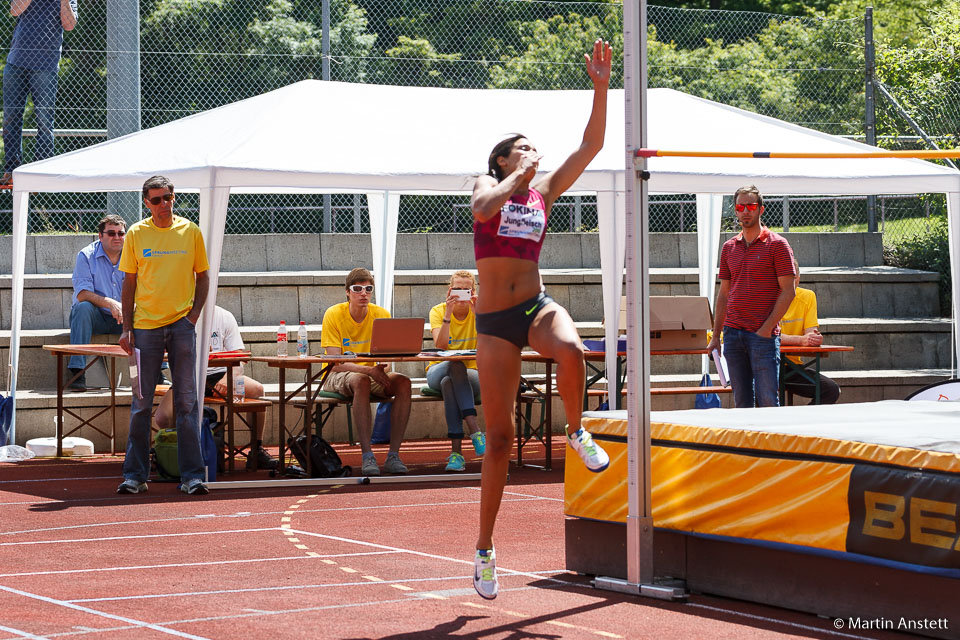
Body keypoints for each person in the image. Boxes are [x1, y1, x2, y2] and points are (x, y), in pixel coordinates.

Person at [469, 40, 612, 599]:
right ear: (503, 160)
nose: (534, 153)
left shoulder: (546, 192)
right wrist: (519, 176)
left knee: (573, 350)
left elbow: (591, 145)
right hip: (494, 323)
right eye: (522, 148)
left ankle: (576, 430)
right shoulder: (488, 185)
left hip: (534, 305)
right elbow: (484, 209)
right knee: (501, 440)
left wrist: (600, 88)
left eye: (535, 148)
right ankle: (485, 549)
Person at [117, 175, 210, 496]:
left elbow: (203, 277)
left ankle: (192, 476)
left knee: (187, 402)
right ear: (147, 203)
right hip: (145, 328)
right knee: (141, 403)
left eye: (167, 198)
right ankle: (135, 476)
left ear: (174, 198)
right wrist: (127, 328)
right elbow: (129, 283)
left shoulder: (191, 231)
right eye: (156, 200)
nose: (163, 204)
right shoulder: (135, 233)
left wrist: (192, 317)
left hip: (182, 326)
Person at [154, 305, 278, 470]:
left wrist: (227, 378)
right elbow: (163, 350)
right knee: (163, 417)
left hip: (220, 374)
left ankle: (257, 449)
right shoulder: (177, 314)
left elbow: (239, 358)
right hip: (188, 376)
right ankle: (176, 451)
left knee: (257, 390)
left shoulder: (224, 316)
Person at [707, 185, 796, 409]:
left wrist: (767, 329)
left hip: (762, 336)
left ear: (761, 209)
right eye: (740, 207)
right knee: (742, 404)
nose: (745, 211)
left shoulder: (778, 244)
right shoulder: (728, 247)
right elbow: (724, 294)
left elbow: (789, 291)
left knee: (768, 401)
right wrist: (716, 335)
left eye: (751, 206)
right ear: (735, 211)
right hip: (733, 334)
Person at [320, 267, 412, 477]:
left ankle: (393, 455)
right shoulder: (333, 313)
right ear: (347, 292)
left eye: (368, 289)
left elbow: (386, 360)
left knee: (404, 382)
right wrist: (370, 370)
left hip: (370, 373)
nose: (363, 293)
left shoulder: (382, 314)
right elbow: (334, 362)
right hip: (336, 375)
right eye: (357, 289)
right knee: (361, 380)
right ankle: (367, 455)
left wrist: (381, 369)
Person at [2, 0, 78, 184]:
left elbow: (69, 25)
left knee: (44, 121)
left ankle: (41, 172)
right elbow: (14, 10)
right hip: (16, 61)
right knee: (11, 118)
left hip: (46, 65)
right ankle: (11, 170)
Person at [426, 270, 485, 472]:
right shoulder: (438, 310)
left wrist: (477, 315)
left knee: (449, 383)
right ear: (450, 290)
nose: (461, 294)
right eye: (457, 289)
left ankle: (456, 453)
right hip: (439, 369)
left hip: (472, 374)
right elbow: (441, 346)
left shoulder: (481, 311)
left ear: (473, 291)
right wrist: (448, 315)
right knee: (454, 364)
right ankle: (475, 430)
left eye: (466, 290)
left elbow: (487, 346)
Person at [67, 213, 124, 390]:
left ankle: (158, 372)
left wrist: (132, 307)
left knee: (148, 309)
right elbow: (82, 294)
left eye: (121, 233)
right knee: (82, 307)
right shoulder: (86, 255)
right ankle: (77, 372)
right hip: (96, 317)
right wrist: (111, 303)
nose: (117, 237)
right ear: (100, 236)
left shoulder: (134, 255)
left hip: (125, 318)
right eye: (111, 233)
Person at [778, 259, 840, 404]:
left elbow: (811, 333)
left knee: (831, 390)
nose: (788, 282)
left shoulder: (808, 296)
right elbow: (768, 335)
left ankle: (803, 417)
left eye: (792, 278)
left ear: (798, 279)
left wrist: (814, 339)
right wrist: (801, 340)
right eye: (784, 278)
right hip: (765, 365)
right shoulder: (765, 296)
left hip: (791, 368)